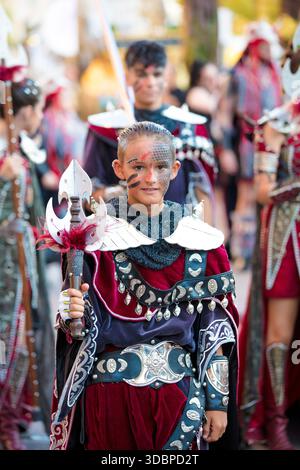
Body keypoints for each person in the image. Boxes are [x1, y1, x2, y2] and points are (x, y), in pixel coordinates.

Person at [49, 121, 239, 450]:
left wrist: (217, 402)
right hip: (110, 400)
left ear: (175, 169)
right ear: (119, 168)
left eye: (160, 167)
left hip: (179, 402)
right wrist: (69, 316)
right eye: (138, 167)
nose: (150, 178)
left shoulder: (201, 240)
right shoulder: (93, 239)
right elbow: (78, 331)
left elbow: (214, 332)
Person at [238, 27, 300, 449]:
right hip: (288, 236)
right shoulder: (277, 123)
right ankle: (275, 423)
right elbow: (262, 191)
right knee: (280, 334)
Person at [83, 40, 216, 224]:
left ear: (166, 77)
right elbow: (86, 197)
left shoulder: (189, 128)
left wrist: (206, 241)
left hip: (178, 232)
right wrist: (113, 195)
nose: (150, 82)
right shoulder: (105, 129)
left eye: (157, 74)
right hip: (121, 233)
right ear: (127, 76)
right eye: (141, 74)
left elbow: (204, 193)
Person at [0, 76, 54, 449]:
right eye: (38, 110)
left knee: (22, 338)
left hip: (22, 264)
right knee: (6, 341)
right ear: (28, 111)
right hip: (3, 266)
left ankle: (14, 411)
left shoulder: (20, 149)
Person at [228, 28, 282, 269]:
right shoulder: (240, 75)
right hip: (248, 141)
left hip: (275, 140)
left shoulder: (274, 74)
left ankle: (264, 248)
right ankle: (242, 252)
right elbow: (230, 111)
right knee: (246, 196)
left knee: (270, 192)